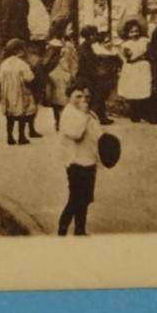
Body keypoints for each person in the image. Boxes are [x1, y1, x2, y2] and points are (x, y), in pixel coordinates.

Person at [57, 79, 104, 236]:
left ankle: (80, 230)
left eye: (87, 97)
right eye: (78, 96)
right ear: (69, 97)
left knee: (85, 199)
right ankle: (62, 230)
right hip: (75, 162)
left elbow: (98, 135)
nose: (83, 100)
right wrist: (84, 115)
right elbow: (76, 134)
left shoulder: (90, 113)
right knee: (76, 199)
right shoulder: (68, 114)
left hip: (89, 161)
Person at [0, 39, 38, 145]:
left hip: (7, 92)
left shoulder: (4, 63)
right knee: (21, 114)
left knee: (9, 115)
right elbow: (30, 77)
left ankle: (10, 137)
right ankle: (21, 137)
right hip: (20, 91)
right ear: (19, 51)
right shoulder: (21, 64)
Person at [77, 25, 120, 124]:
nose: (96, 37)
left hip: (91, 76)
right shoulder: (85, 48)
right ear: (91, 36)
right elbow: (87, 65)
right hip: (87, 77)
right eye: (95, 34)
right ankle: (96, 117)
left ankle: (101, 116)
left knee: (101, 91)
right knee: (98, 94)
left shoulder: (87, 47)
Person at [117, 18, 153, 122]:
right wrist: (140, 54)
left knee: (144, 88)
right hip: (132, 68)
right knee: (133, 90)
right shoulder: (125, 45)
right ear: (127, 33)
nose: (134, 34)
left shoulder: (144, 41)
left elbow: (149, 52)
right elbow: (130, 58)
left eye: (136, 31)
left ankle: (143, 113)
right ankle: (134, 114)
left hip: (143, 67)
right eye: (131, 32)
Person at [43, 27, 79, 131]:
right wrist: (71, 73)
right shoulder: (64, 46)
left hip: (54, 74)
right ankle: (63, 121)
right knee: (64, 98)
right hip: (62, 73)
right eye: (68, 29)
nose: (71, 31)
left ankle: (58, 121)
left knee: (56, 99)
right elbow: (67, 62)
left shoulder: (51, 44)